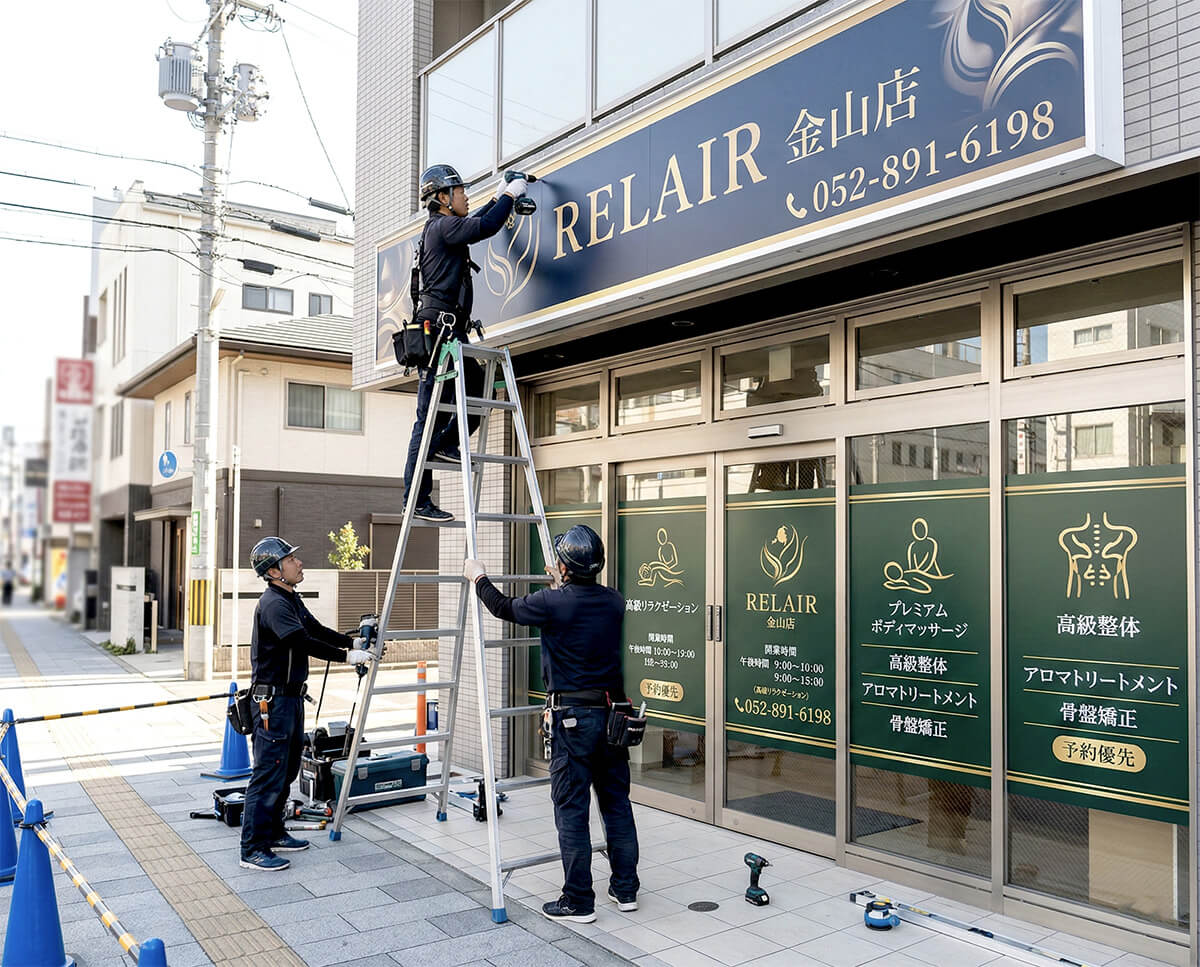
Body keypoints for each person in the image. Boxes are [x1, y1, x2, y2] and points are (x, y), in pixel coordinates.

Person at [463, 525, 640, 923]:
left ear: (564, 567)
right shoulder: (614, 601)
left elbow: (503, 607)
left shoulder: (552, 603)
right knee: (616, 804)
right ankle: (625, 889)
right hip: (613, 718)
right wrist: (562, 582)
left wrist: (478, 576)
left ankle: (578, 900)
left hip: (573, 722)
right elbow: (577, 605)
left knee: (572, 809)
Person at [403, 163, 529, 522]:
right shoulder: (442, 227)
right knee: (427, 417)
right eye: (461, 192)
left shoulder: (444, 227)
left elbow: (476, 220)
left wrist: (500, 195)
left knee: (474, 392)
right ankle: (416, 499)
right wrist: (510, 195)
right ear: (443, 198)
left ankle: (444, 444)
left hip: (448, 333)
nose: (466, 197)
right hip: (440, 335)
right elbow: (483, 227)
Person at [240, 537, 372, 872]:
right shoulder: (273, 604)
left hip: (290, 699)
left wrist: (352, 642)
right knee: (268, 773)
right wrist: (346, 657)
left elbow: (315, 629)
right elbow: (301, 641)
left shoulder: (289, 598)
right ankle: (252, 849)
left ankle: (274, 833)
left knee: (286, 771)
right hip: (272, 703)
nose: (298, 563)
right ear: (274, 571)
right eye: (290, 560)